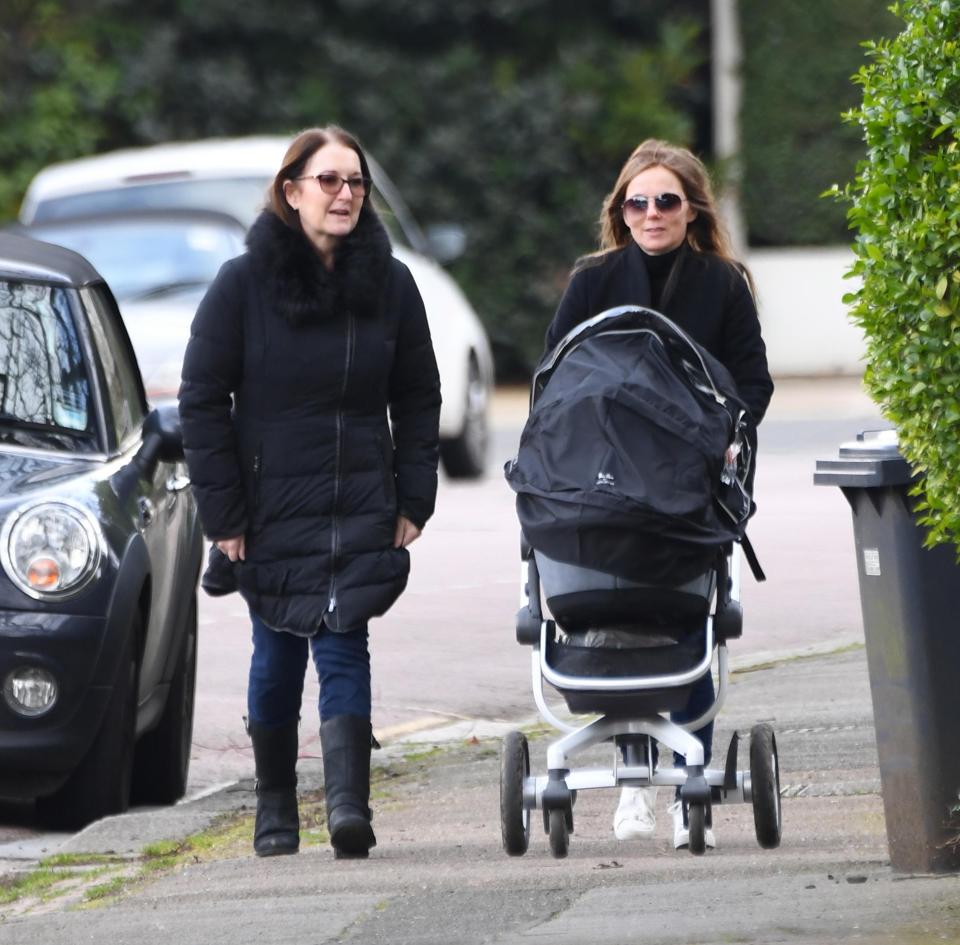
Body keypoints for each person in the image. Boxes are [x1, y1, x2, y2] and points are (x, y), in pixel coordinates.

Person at [178, 126, 441, 860]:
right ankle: (274, 802)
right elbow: (202, 399)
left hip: (361, 494)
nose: (345, 194)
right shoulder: (243, 284)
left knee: (344, 641)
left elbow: (419, 394)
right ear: (291, 192)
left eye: (355, 182)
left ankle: (349, 807)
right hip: (270, 505)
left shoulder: (391, 284)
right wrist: (224, 513)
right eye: (328, 181)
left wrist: (413, 497)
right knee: (276, 654)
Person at [542, 139, 774, 850]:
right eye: (636, 201)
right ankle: (633, 778)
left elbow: (753, 381)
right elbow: (555, 376)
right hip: (604, 484)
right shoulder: (593, 280)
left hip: (688, 485)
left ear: (691, 208)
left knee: (689, 624)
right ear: (620, 209)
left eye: (666, 200)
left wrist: (732, 434)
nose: (650, 213)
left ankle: (686, 776)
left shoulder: (722, 283)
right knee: (614, 620)